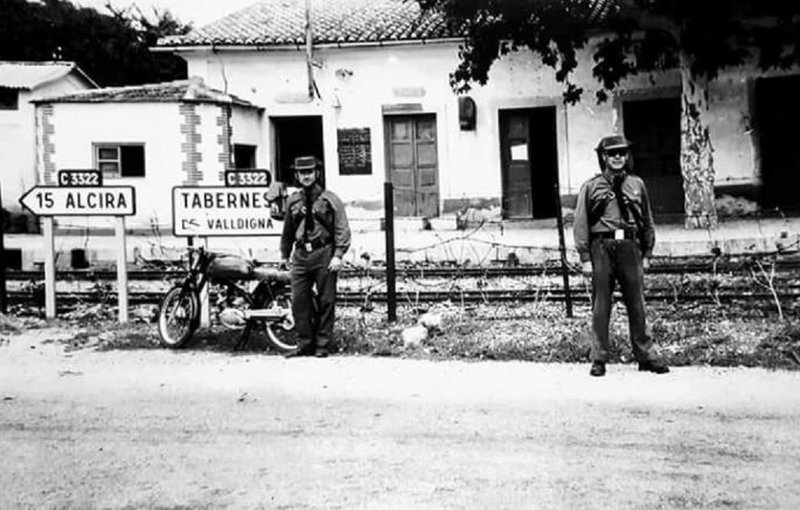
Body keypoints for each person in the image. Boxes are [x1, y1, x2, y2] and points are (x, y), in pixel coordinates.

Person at [573, 135, 670, 377]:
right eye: (612, 154)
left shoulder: (637, 184)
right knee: (600, 305)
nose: (617, 158)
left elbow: (646, 220)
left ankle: (646, 356)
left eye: (622, 153)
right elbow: (581, 222)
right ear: (603, 157)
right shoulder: (591, 187)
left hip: (629, 246)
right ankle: (598, 358)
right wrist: (585, 257)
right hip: (602, 247)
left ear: (627, 157)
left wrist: (647, 252)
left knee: (637, 304)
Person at [280, 155, 351, 358]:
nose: (306, 176)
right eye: (302, 173)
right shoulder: (293, 200)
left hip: (324, 253)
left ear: (317, 173)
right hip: (301, 254)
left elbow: (341, 228)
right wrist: (284, 254)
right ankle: (305, 344)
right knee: (299, 301)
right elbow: (287, 230)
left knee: (326, 300)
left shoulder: (330, 199)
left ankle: (322, 345)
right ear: (297, 175)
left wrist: (338, 255)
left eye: (310, 172)